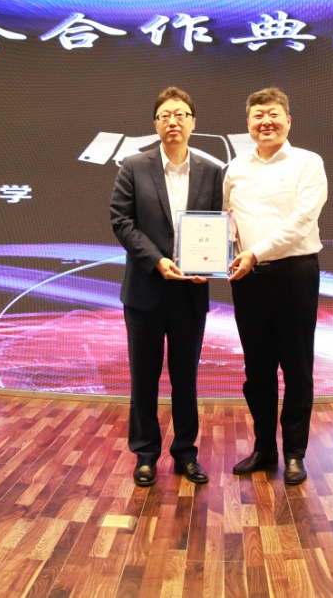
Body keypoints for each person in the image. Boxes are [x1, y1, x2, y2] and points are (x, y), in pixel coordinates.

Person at [110, 87, 224, 488]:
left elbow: (217, 224)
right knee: (143, 377)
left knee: (185, 378)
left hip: (190, 291)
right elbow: (121, 220)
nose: (172, 121)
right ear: (155, 124)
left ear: (193, 122)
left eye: (180, 114)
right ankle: (145, 454)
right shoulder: (133, 166)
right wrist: (158, 261)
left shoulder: (212, 170)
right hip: (145, 289)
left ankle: (186, 453)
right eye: (165, 115)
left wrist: (210, 262)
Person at [225, 87, 327, 486]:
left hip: (295, 274)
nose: (265, 122)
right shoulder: (235, 168)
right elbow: (224, 217)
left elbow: (302, 220)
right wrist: (218, 245)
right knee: (257, 371)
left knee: (297, 369)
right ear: (248, 123)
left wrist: (255, 252)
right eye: (258, 115)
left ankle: (295, 453)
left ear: (288, 120)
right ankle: (264, 448)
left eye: (273, 114)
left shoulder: (308, 163)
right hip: (249, 280)